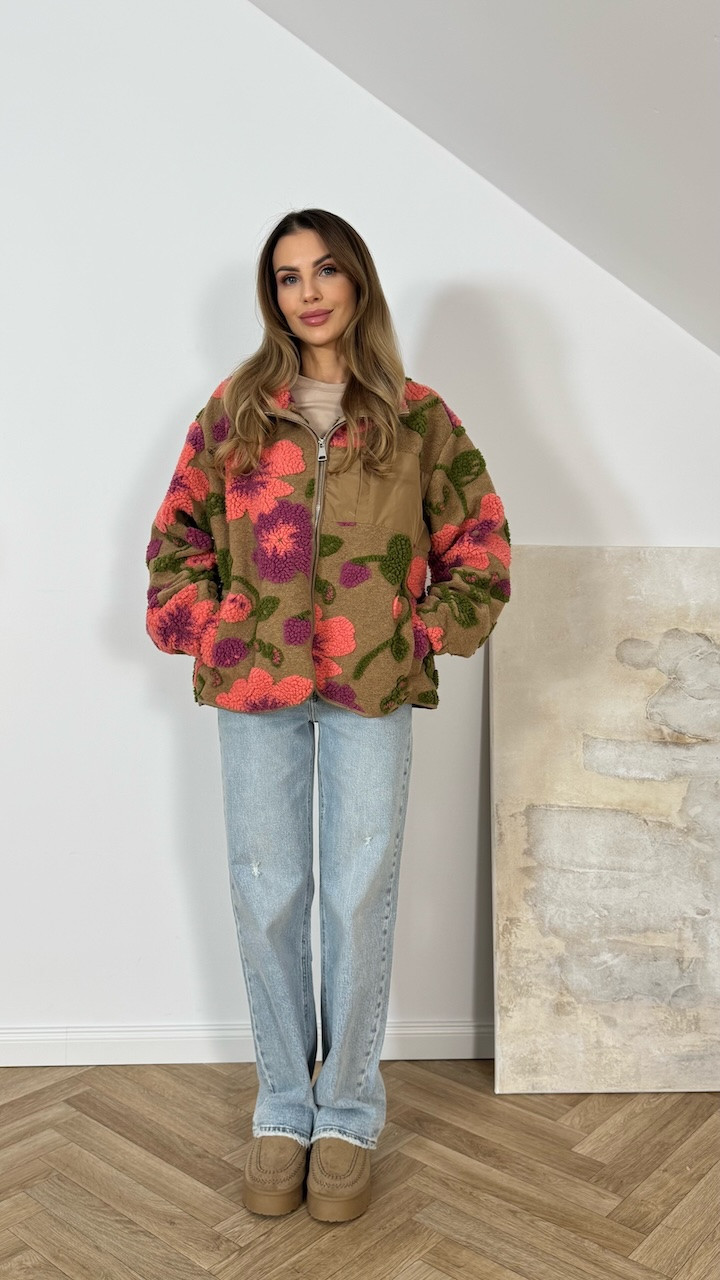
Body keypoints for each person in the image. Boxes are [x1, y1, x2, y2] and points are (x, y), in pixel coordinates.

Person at [145, 208, 512, 1222]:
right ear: (272, 295)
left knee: (356, 898)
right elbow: (175, 540)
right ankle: (282, 1105)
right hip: (256, 686)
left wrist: (419, 632)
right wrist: (215, 629)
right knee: (268, 893)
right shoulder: (234, 412)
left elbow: (482, 544)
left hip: (370, 686)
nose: (307, 292)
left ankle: (346, 1114)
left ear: (358, 282)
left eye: (325, 271)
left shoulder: (417, 417)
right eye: (287, 275)